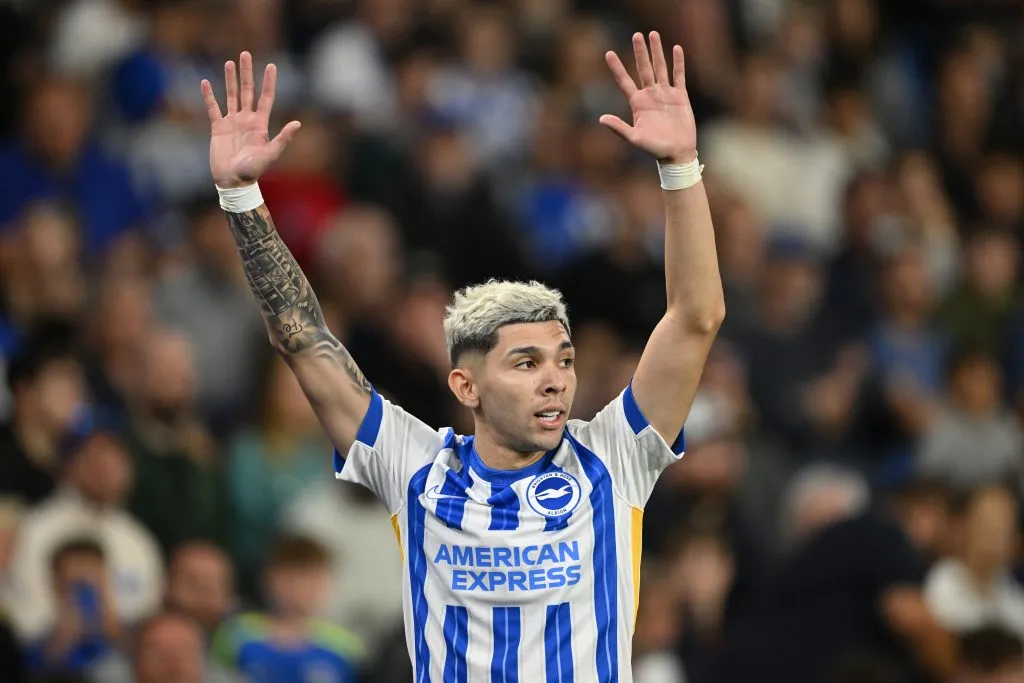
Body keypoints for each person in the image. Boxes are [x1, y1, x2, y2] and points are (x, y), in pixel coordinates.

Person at [200, 28, 723, 681]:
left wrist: (680, 168)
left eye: (563, 359)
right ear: (465, 385)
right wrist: (243, 198)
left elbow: (697, 318)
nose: (556, 380)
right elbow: (302, 338)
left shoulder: (614, 458)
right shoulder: (415, 467)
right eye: (526, 363)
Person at [211, 535, 363, 683]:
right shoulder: (237, 634)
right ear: (269, 578)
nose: (301, 588)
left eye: (311, 579)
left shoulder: (344, 646)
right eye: (291, 578)